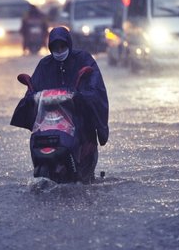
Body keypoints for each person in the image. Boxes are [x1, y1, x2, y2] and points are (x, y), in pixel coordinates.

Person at [11, 26, 109, 183]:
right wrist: (30, 97)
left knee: (85, 135)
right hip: (50, 120)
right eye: (55, 47)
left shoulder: (83, 59)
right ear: (50, 48)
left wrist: (81, 96)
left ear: (69, 44)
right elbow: (34, 88)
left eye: (62, 46)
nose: (59, 50)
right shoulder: (44, 65)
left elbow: (95, 85)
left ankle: (84, 169)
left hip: (78, 117)